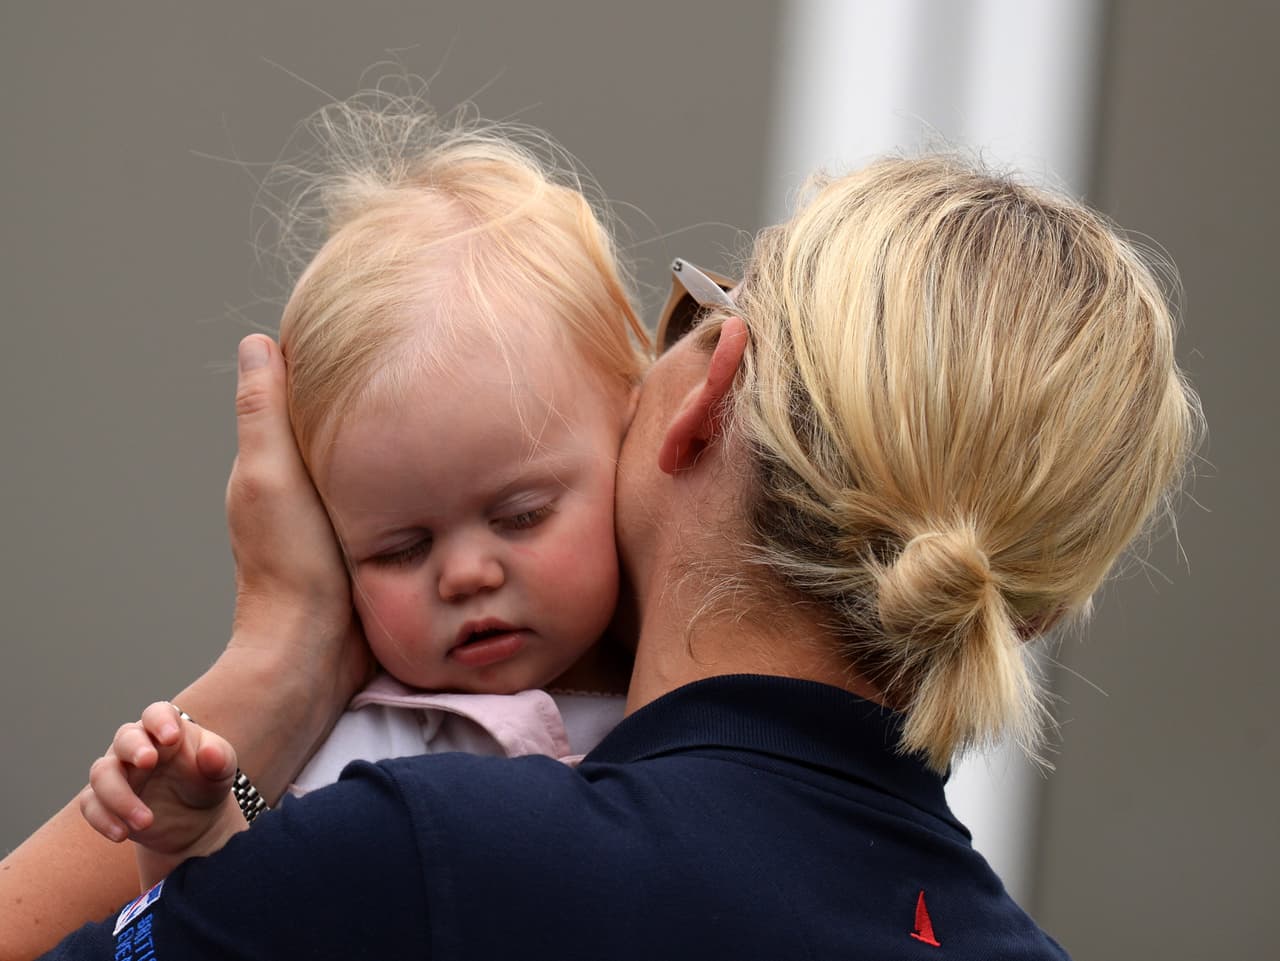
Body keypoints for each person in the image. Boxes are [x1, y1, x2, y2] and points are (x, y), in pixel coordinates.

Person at [13, 151, 1196, 960]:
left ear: (704, 396)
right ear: (1029, 611)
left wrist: (281, 657)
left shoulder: (427, 861)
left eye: (686, 307)